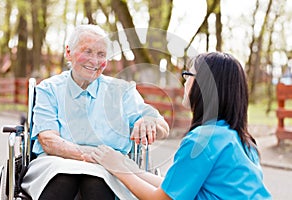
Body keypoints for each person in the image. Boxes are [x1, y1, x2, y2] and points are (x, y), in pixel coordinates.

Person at [92, 52, 272, 199]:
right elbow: (172, 186)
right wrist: (129, 167)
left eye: (188, 75)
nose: (184, 81)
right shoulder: (237, 138)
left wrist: (118, 168)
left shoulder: (203, 140)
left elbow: (162, 199)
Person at [21, 24, 169, 200]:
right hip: (55, 161)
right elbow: (48, 140)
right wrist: (95, 155)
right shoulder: (49, 89)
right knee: (63, 179)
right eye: (88, 52)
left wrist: (149, 122)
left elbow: (163, 127)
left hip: (110, 167)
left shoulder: (121, 91)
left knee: (96, 181)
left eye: (101, 55)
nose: (95, 61)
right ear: (68, 52)